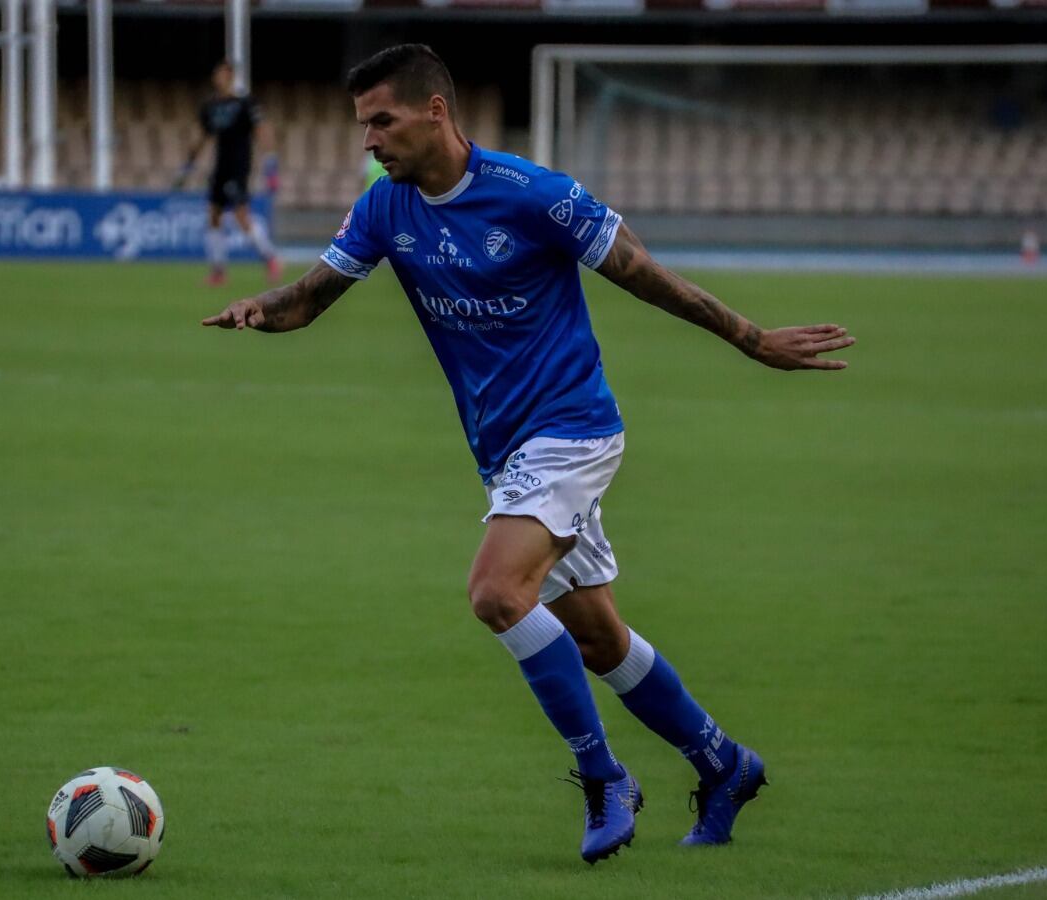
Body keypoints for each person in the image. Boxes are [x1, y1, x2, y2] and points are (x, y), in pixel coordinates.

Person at [202, 44, 855, 863]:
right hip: (504, 451)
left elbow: (642, 272)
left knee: (496, 593)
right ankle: (724, 764)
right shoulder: (383, 207)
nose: (368, 139)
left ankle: (603, 776)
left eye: (382, 120)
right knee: (598, 639)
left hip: (573, 427)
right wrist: (258, 310)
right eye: (363, 123)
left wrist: (752, 338)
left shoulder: (533, 195)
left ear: (435, 111)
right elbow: (310, 301)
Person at [175, 60, 282, 287]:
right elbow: (201, 136)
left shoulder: (245, 103)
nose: (218, 78)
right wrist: (188, 164)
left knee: (241, 216)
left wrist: (270, 161)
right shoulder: (210, 106)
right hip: (220, 167)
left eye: (222, 74)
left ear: (231, 76)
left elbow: (262, 130)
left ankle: (270, 258)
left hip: (239, 166)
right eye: (216, 74)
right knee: (213, 214)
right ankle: (218, 271)